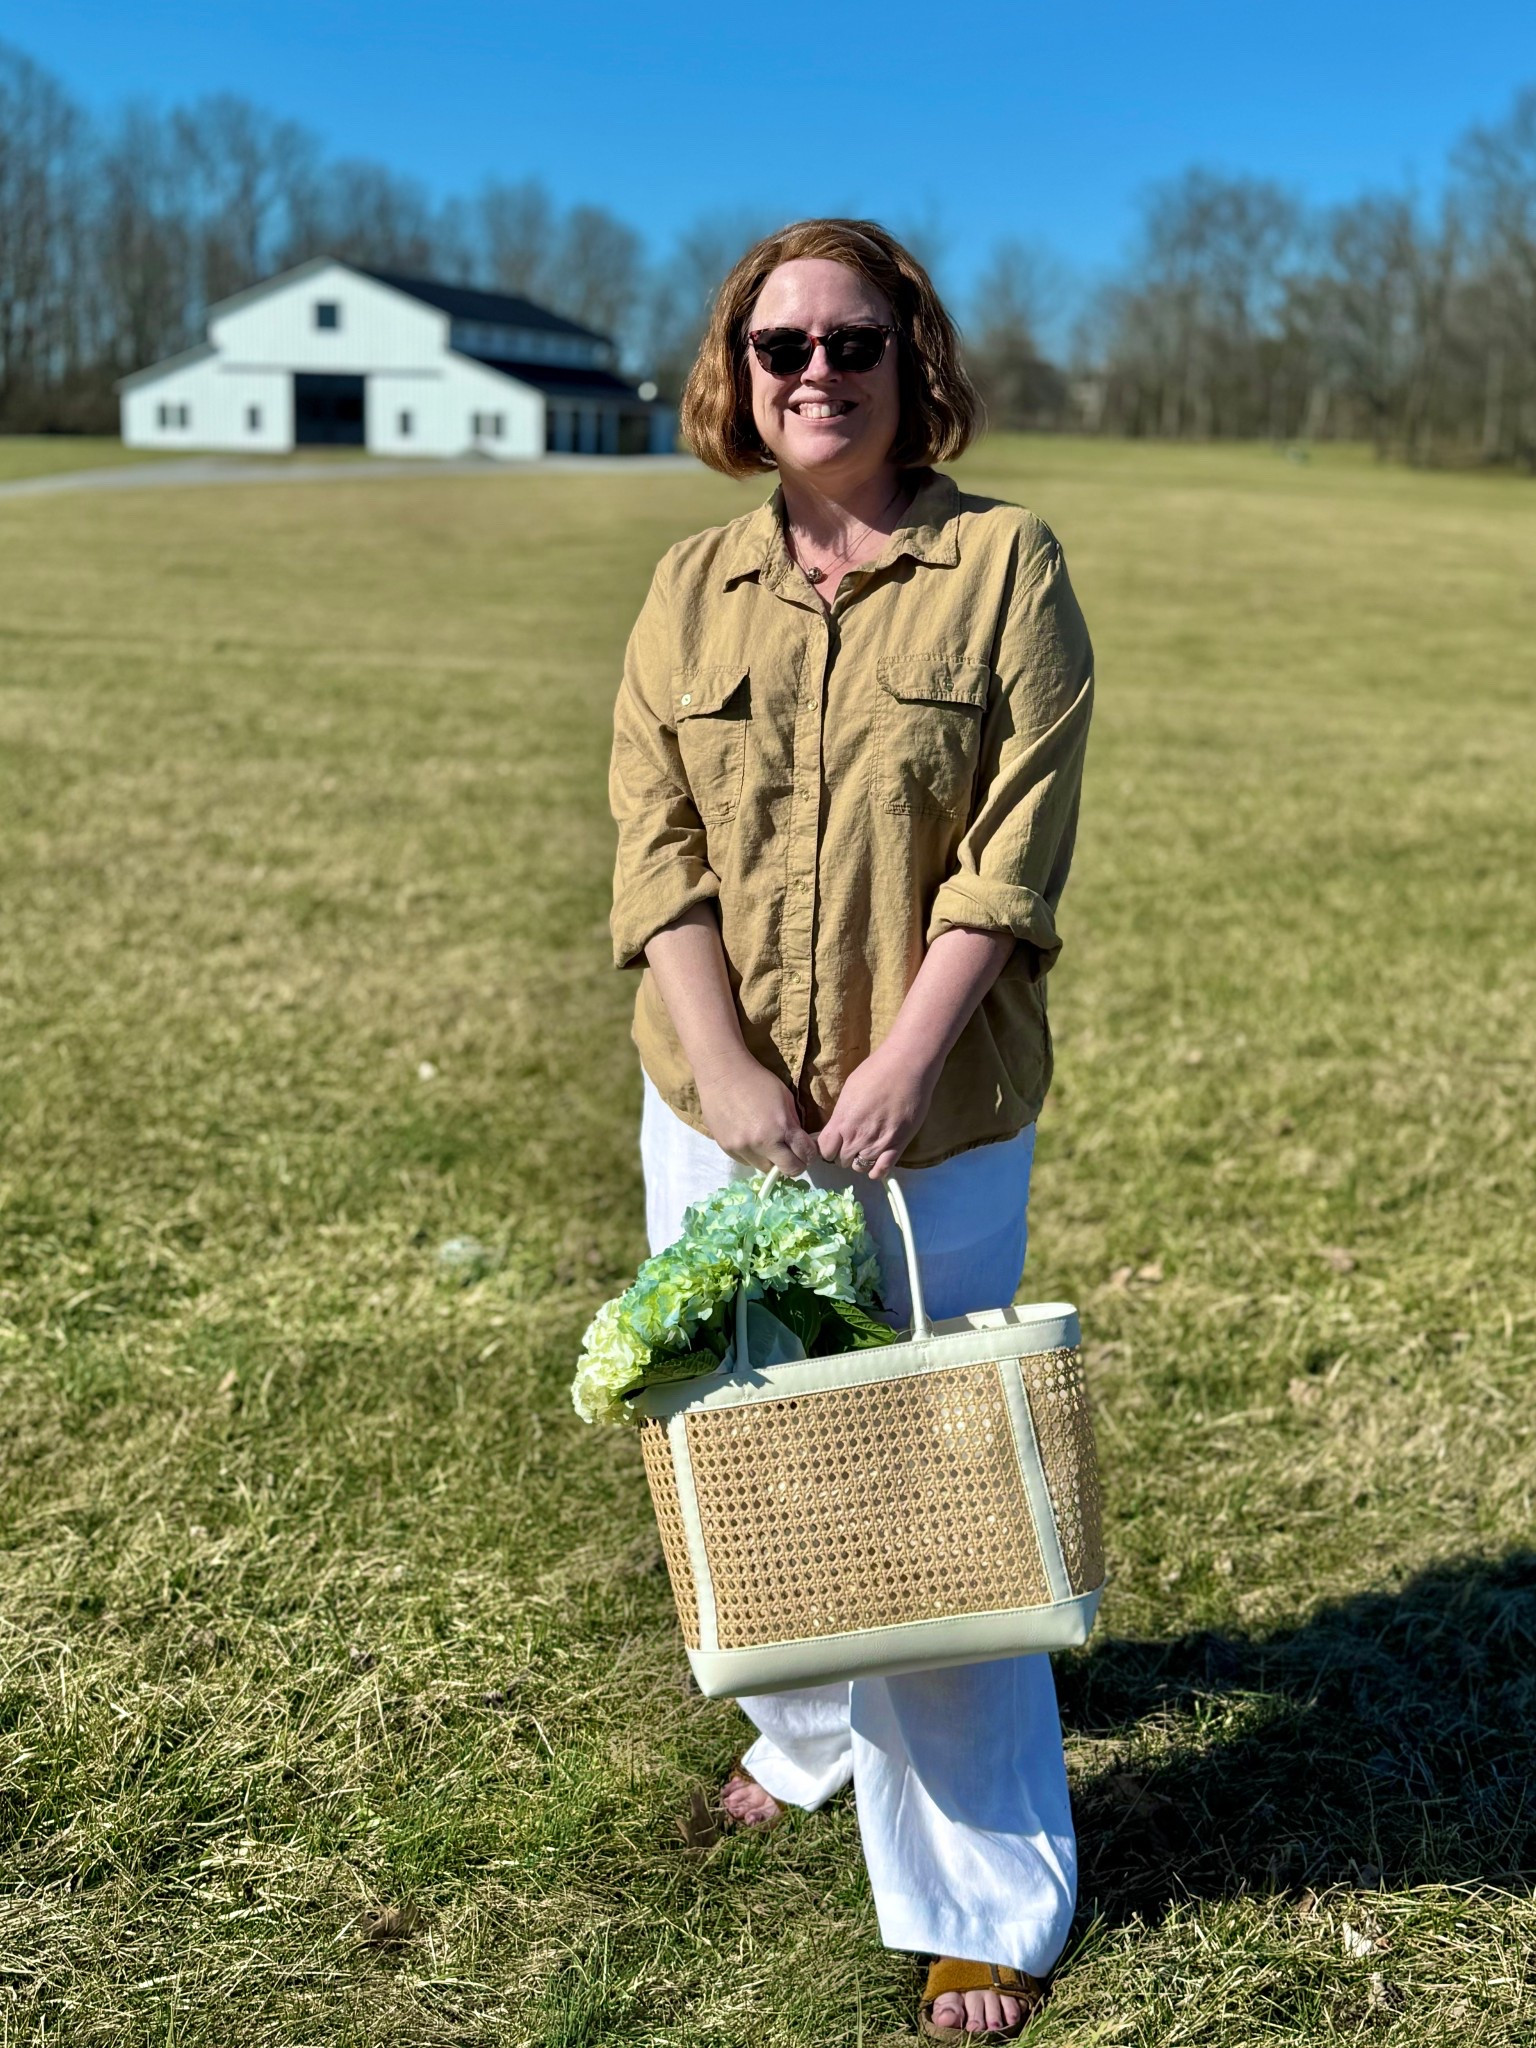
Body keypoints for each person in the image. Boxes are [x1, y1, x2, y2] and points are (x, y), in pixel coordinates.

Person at [608, 218, 1094, 2044]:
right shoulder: (687, 586)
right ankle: (808, 1731)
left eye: (854, 343)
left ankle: (982, 1899)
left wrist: (894, 1064)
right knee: (751, 1458)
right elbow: (654, 846)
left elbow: (1012, 854)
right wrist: (730, 1076)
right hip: (717, 1111)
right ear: (738, 373)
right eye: (779, 345)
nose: (816, 373)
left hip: (931, 1116)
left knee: (932, 1501)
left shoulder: (1005, 568)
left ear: (916, 362)